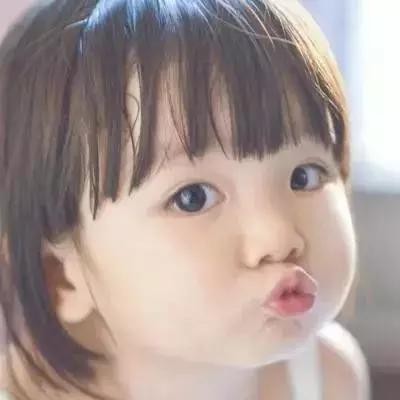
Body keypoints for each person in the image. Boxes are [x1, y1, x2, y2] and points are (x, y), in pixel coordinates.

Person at [0, 0, 369, 399]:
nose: (278, 238)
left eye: (304, 175)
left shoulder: (327, 377)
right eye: (192, 198)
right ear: (61, 277)